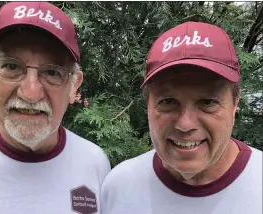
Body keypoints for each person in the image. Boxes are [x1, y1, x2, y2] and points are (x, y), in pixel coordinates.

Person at [101, 21, 262, 214]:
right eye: (168, 101)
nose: (185, 124)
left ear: (235, 103)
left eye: (208, 102)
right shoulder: (119, 187)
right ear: (148, 105)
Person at [0, 2, 110, 214]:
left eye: (52, 72)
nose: (31, 93)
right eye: (12, 66)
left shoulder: (94, 163)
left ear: (74, 84)